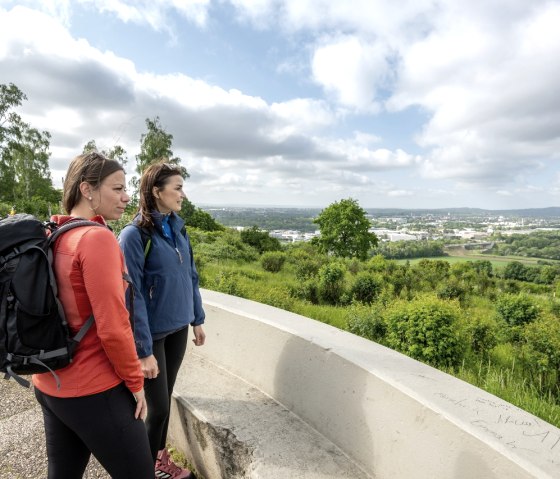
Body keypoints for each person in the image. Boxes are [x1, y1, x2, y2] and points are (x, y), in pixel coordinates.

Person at [32, 152, 154, 479]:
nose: (126, 197)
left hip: (49, 383)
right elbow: (113, 328)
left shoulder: (52, 235)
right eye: (117, 189)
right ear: (87, 189)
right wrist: (135, 382)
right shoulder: (96, 239)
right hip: (92, 388)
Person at [119, 160, 206, 479]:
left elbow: (191, 276)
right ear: (157, 192)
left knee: (164, 400)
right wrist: (143, 349)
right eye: (178, 188)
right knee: (157, 408)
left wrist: (196, 318)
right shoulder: (133, 236)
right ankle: (144, 468)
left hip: (178, 328)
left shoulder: (178, 229)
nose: (183, 194)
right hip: (152, 335)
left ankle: (157, 459)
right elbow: (132, 295)